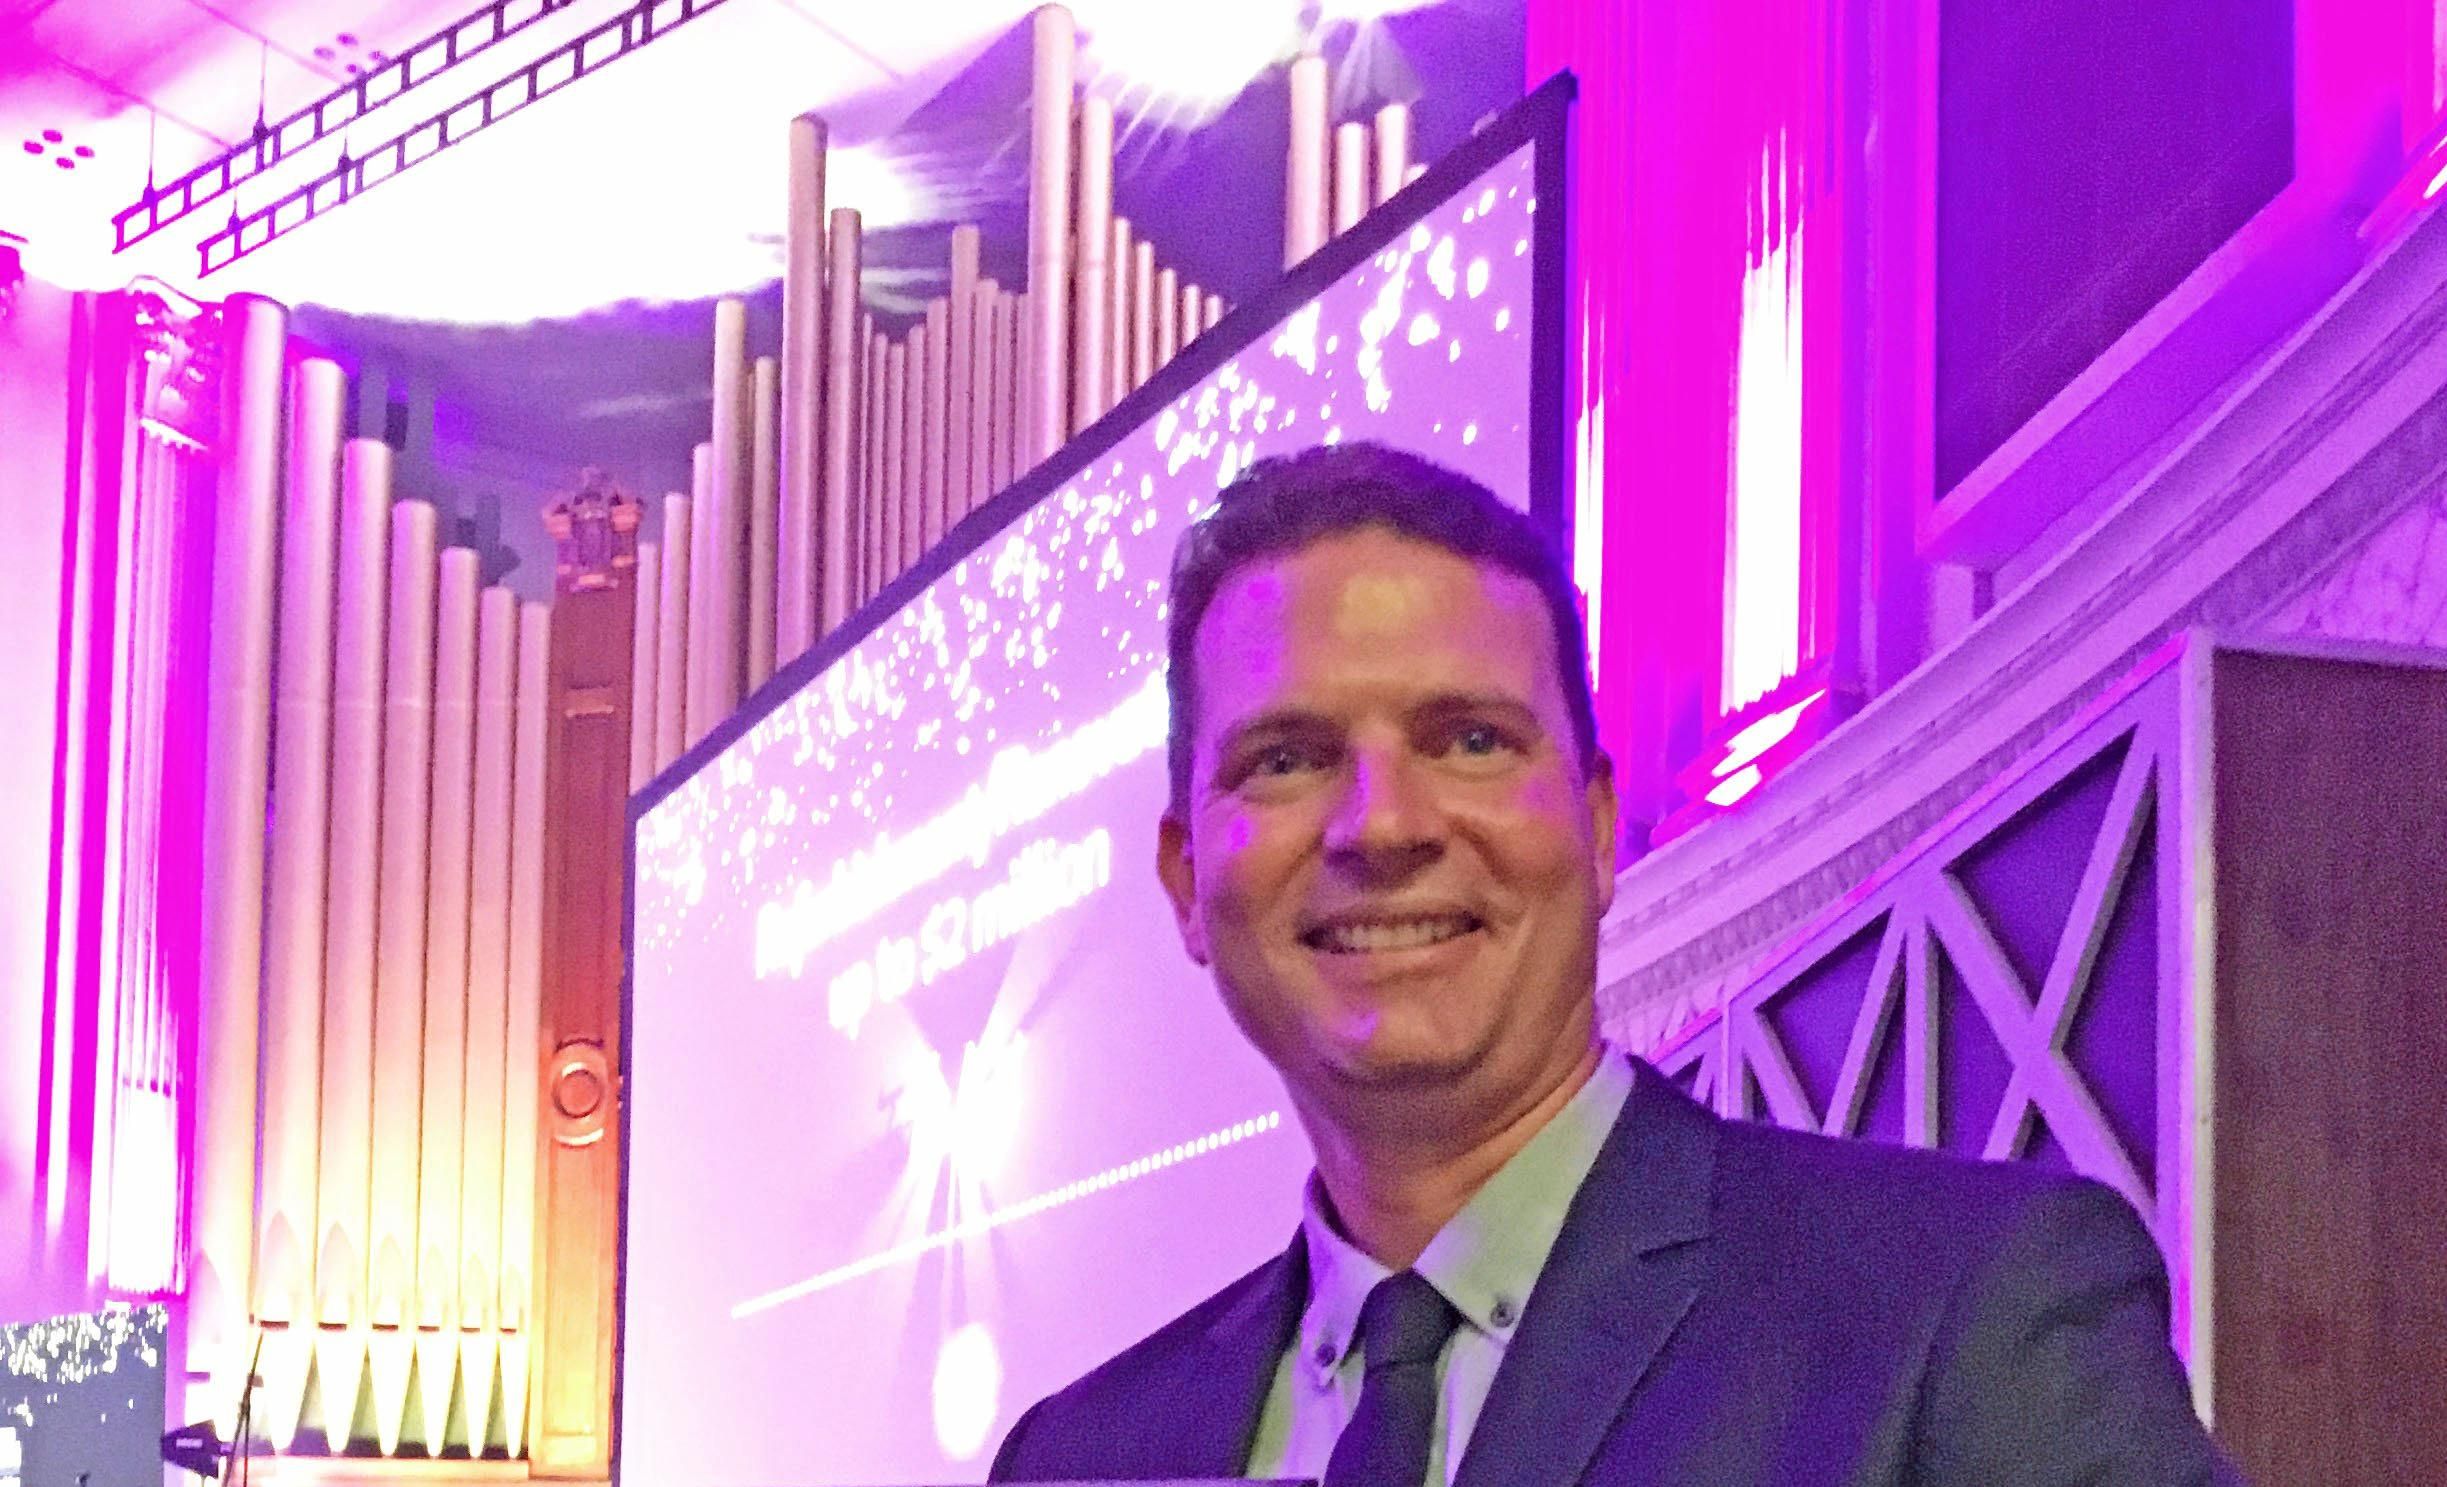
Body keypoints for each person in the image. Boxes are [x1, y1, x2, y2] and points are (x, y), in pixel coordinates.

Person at [989, 443, 2232, 1486]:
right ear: (1182, 878)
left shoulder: (1962, 1315)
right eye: (1286, 758)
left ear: (1591, 831)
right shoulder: (1077, 1454)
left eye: (1469, 738)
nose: (1381, 822)